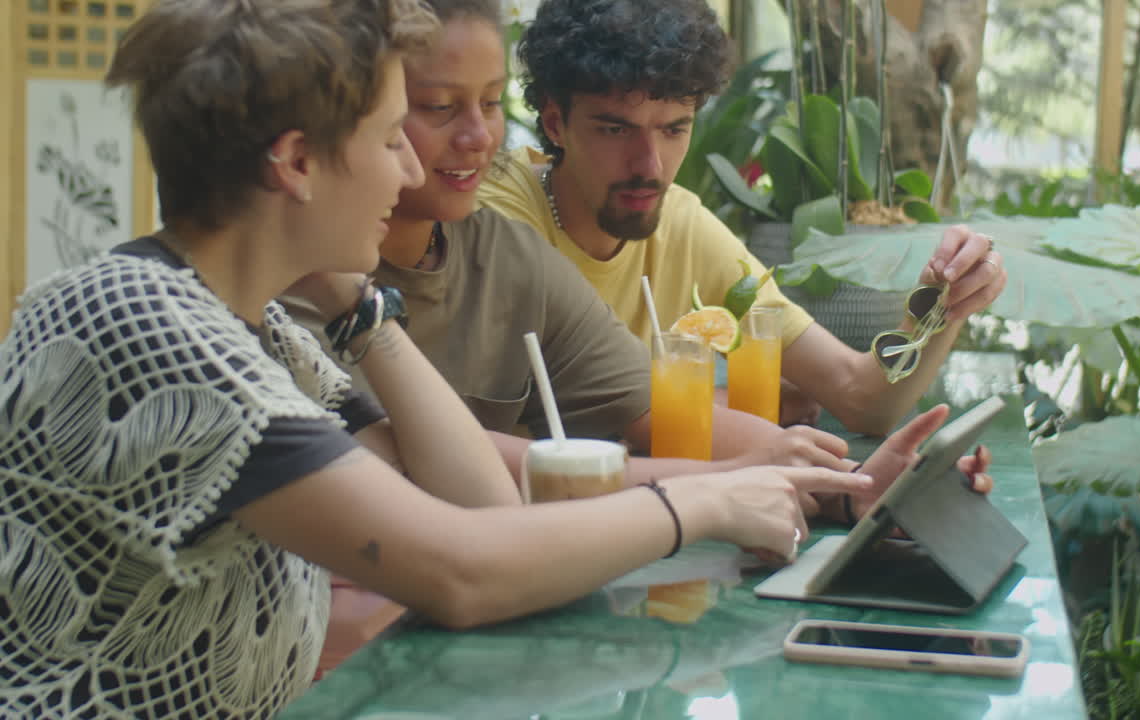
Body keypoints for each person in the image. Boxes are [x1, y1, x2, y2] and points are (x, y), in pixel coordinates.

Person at [0, 1, 875, 715]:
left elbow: (485, 506)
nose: (410, 167)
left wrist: (361, 313)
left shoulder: (259, 332)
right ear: (298, 163)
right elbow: (461, 570)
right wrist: (712, 499)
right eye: (391, 137)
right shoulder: (149, 329)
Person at [280, 0, 877, 485]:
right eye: (436, 108)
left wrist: (850, 483)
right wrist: (717, 489)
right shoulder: (296, 282)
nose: (477, 137)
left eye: (490, 104)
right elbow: (427, 482)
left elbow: (656, 410)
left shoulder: (509, 257)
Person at [477, 0, 1010, 435]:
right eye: (616, 130)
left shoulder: (682, 225)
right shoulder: (497, 216)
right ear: (554, 122)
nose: (650, 166)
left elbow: (862, 396)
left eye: (673, 128)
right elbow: (539, 427)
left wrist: (941, 307)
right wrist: (729, 403)